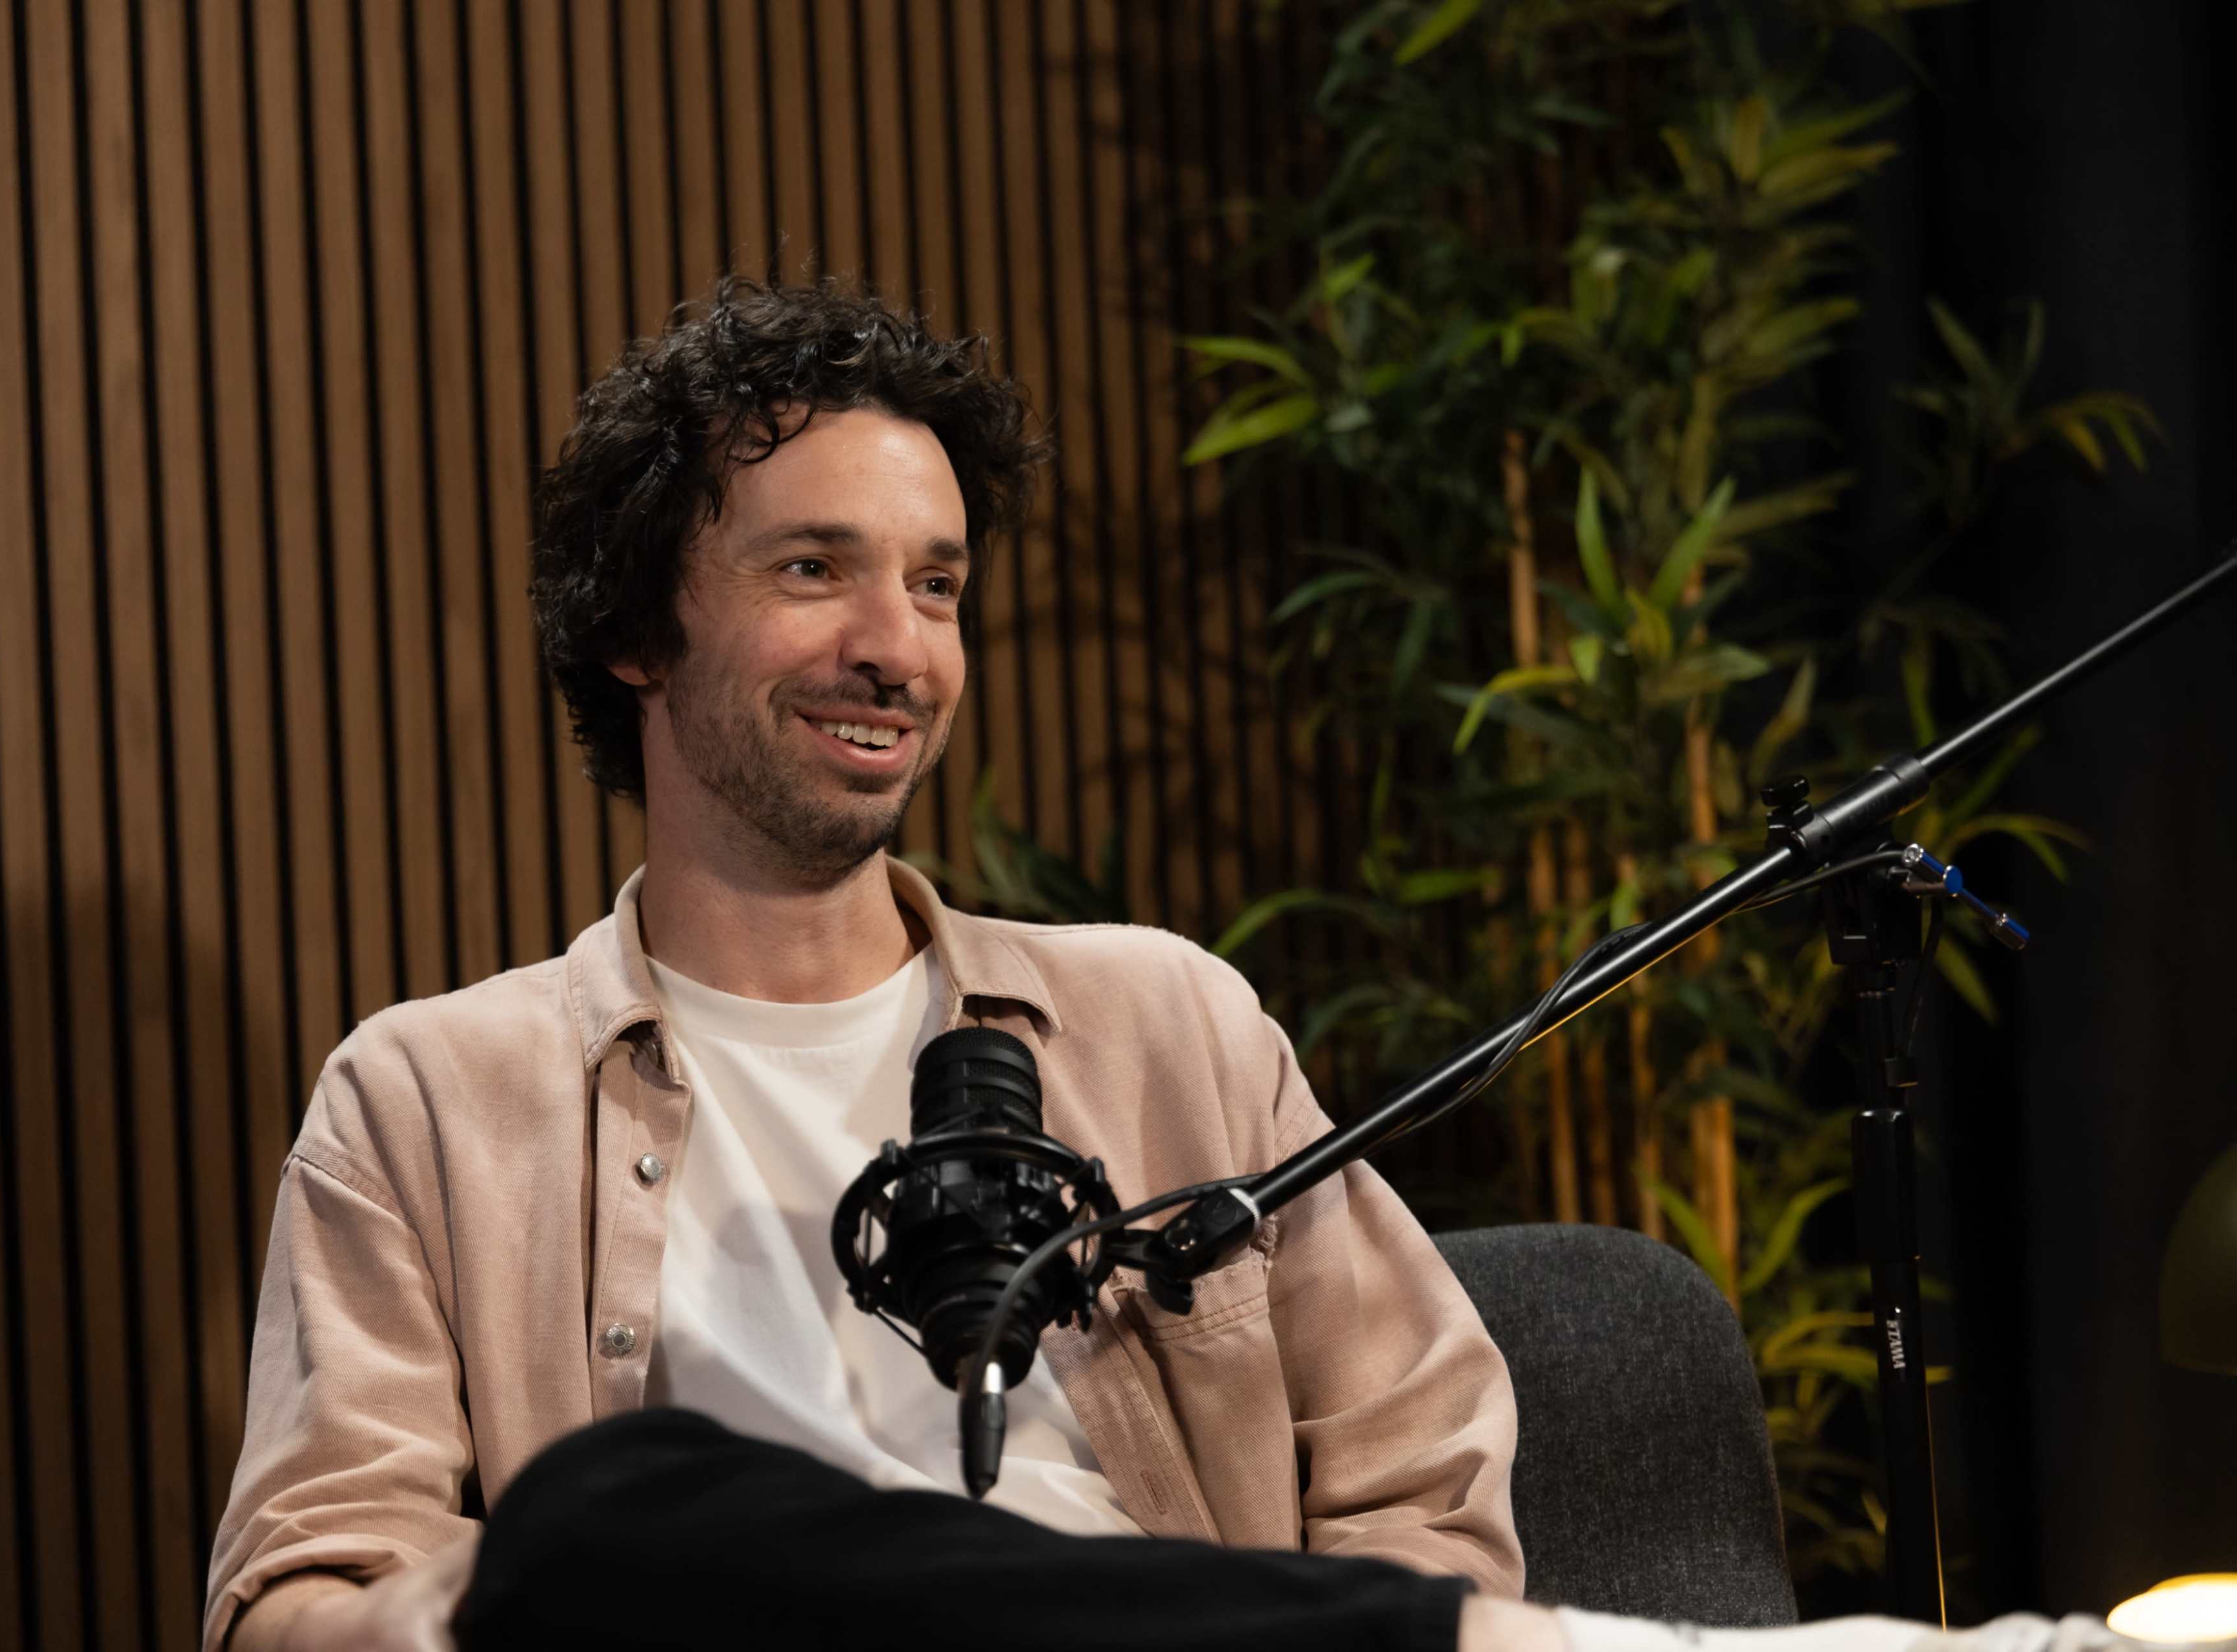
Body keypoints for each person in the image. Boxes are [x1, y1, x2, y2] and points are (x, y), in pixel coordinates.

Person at [201, 280, 2176, 1652]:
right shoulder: (434, 1099)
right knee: (605, 1523)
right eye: (816, 569)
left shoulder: (1163, 1019)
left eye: (942, 584)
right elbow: (301, 1595)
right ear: (638, 629)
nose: (904, 643)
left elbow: (1420, 1481)